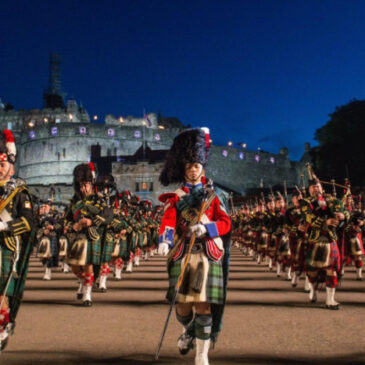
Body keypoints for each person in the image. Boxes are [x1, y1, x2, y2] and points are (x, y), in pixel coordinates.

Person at [157, 128, 231, 365]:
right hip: (183, 254)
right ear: (184, 169)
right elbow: (168, 221)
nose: (192, 170)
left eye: (196, 166)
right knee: (183, 306)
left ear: (202, 169)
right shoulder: (176, 197)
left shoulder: (213, 196)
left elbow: (226, 223)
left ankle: (201, 355)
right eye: (189, 166)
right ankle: (188, 330)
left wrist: (208, 228)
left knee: (203, 305)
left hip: (207, 254)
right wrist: (164, 240)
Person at [0, 130, 35, 351]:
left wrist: (5, 226)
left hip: (6, 246)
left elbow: (28, 221)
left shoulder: (20, 193)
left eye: (3, 165)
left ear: (11, 168)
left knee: (1, 292)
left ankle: (2, 327)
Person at [64, 163, 113, 306]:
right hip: (77, 237)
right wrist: (72, 225)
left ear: (91, 184)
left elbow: (108, 215)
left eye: (86, 185)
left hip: (92, 237)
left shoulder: (98, 199)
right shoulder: (75, 202)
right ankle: (83, 282)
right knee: (73, 265)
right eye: (80, 185)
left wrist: (91, 222)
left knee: (88, 265)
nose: (83, 189)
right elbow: (65, 220)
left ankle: (87, 294)